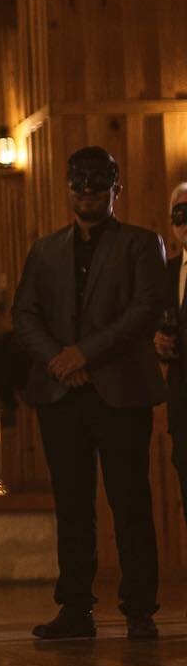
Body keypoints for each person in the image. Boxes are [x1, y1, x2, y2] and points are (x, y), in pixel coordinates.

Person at [14, 146, 167, 641]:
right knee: (72, 505)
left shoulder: (144, 244)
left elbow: (145, 310)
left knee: (130, 501)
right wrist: (61, 360)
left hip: (121, 391)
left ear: (115, 190)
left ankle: (139, 609)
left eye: (98, 185)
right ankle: (75, 608)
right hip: (61, 392)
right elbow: (25, 314)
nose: (87, 193)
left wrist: (83, 354)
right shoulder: (44, 249)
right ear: (67, 188)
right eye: (79, 184)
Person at [158, 183, 187, 549]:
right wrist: (158, 343)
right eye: (178, 213)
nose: (185, 221)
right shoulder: (166, 271)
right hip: (182, 403)